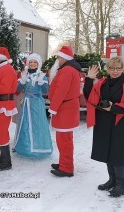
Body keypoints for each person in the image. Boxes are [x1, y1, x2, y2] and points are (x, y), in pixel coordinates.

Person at [83, 56, 124, 197]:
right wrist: (89, 79)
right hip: (104, 122)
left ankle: (120, 184)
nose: (115, 71)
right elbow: (90, 97)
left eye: (118, 68)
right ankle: (112, 180)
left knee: (118, 152)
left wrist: (113, 108)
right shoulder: (102, 82)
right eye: (112, 68)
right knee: (107, 151)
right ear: (108, 69)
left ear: (122, 68)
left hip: (120, 122)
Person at [48, 46, 81, 177]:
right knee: (64, 139)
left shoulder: (67, 70)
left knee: (64, 140)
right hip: (66, 108)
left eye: (59, 57)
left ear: (64, 58)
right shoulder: (69, 69)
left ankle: (66, 168)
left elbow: (61, 91)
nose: (58, 59)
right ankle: (64, 163)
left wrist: (53, 108)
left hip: (65, 109)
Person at [13, 53, 53, 157]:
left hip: (37, 103)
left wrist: (42, 83)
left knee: (37, 124)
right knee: (24, 124)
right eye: (31, 62)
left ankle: (38, 147)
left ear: (38, 64)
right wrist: (22, 81)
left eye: (35, 62)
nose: (32, 64)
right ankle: (23, 146)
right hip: (26, 103)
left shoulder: (41, 75)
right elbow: (18, 90)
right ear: (28, 63)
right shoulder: (25, 74)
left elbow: (45, 91)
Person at [0, 47, 18, 171]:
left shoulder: (6, 69)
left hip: (4, 105)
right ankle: (3, 156)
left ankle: (6, 162)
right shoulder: (1, 68)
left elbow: (5, 88)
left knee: (1, 132)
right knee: (0, 131)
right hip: (0, 105)